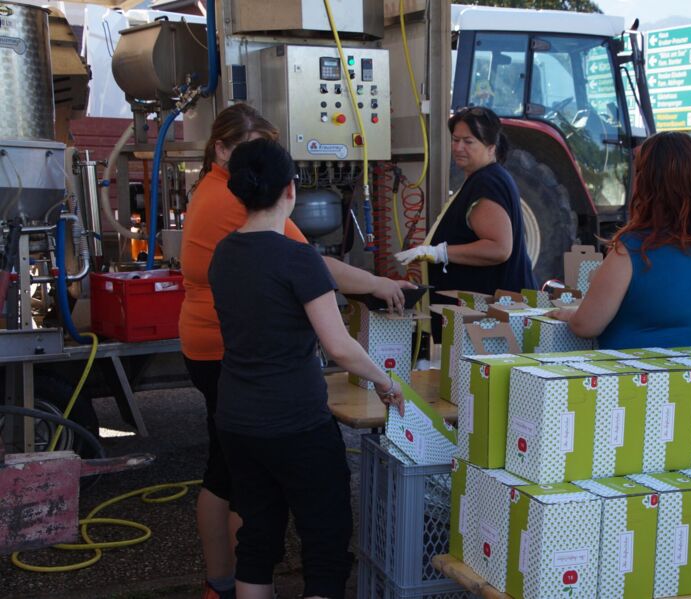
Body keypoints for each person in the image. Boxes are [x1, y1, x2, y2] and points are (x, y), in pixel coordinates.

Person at [178, 103, 412, 599]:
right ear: (291, 190)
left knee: (258, 538)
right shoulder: (299, 259)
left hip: (239, 418)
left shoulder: (224, 255)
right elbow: (339, 347)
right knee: (325, 539)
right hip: (296, 421)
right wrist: (387, 383)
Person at [548, 131, 691, 348]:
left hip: (643, 378)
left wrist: (571, 315)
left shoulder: (633, 250)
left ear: (644, 181)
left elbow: (585, 326)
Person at [395, 106, 536, 340]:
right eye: (455, 140)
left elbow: (499, 248)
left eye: (469, 142)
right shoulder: (483, 178)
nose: (458, 148)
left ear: (491, 147)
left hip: (486, 320)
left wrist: (438, 253)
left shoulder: (488, 184)